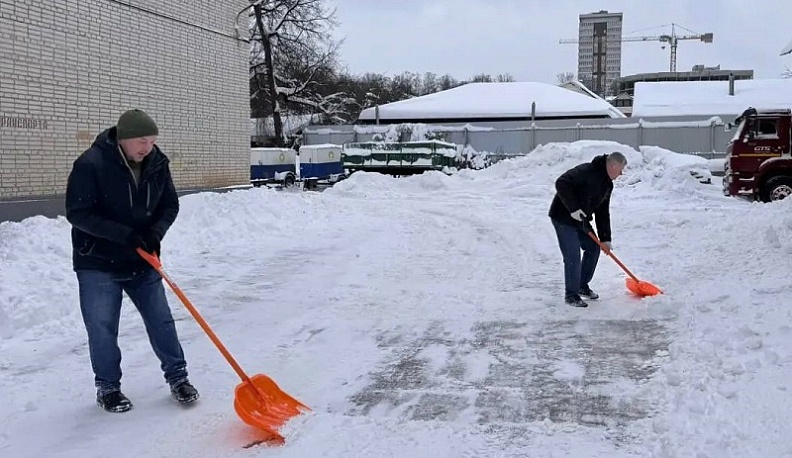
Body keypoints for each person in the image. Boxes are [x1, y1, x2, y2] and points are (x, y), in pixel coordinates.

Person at [65, 109, 198, 412]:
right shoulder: (92, 164)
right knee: (102, 327)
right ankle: (108, 388)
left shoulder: (157, 163)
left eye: (151, 141)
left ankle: (179, 379)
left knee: (161, 320)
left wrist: (155, 233)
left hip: (142, 259)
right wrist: (123, 235)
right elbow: (78, 213)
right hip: (97, 261)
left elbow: (170, 205)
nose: (147, 148)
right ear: (123, 139)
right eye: (141, 141)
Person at [548, 152, 627, 308]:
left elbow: (603, 212)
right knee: (573, 254)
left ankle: (581, 285)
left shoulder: (607, 185)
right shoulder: (586, 171)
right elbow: (561, 183)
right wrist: (573, 208)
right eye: (620, 169)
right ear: (613, 165)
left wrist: (605, 238)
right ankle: (571, 295)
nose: (621, 174)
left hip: (580, 220)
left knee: (593, 248)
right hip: (563, 216)